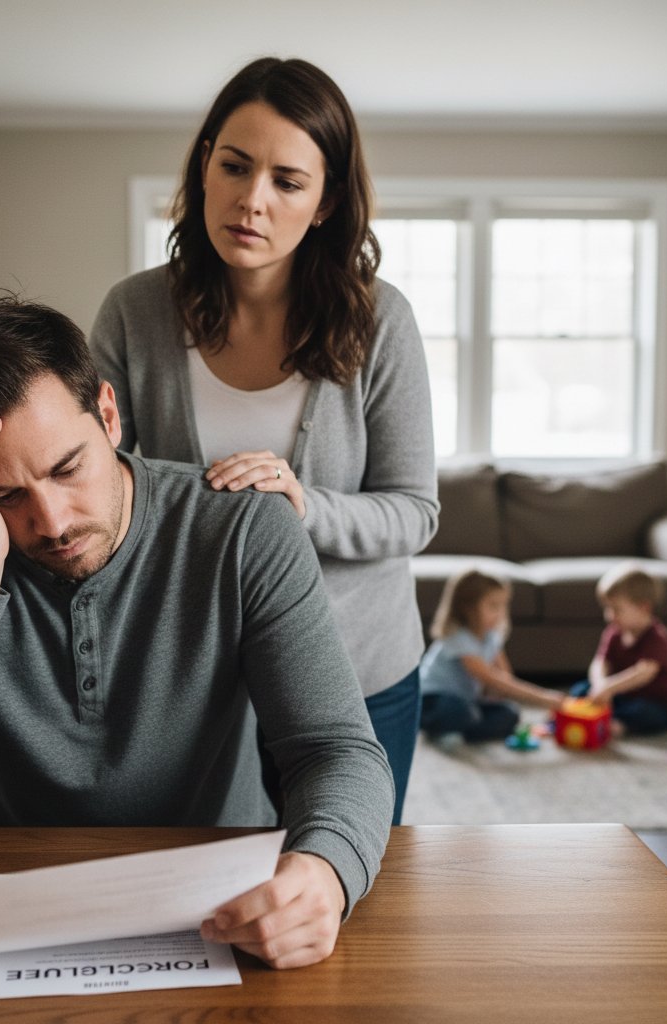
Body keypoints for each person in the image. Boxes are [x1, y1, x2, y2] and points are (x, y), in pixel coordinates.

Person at [0, 297, 394, 971]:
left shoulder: (244, 533)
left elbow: (335, 749)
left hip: (222, 896)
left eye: (68, 468)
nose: (53, 520)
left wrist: (327, 872)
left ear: (110, 414)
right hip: (13, 904)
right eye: (3, 494)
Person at [89, 57, 438, 824]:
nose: (252, 201)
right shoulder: (134, 311)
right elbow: (88, 473)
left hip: (357, 670)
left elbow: (414, 511)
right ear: (204, 166)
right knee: (198, 887)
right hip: (190, 667)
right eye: (235, 167)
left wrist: (301, 502)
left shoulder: (383, 322)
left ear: (325, 203)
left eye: (287, 180)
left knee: (345, 890)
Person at [418, 569, 564, 743]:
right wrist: (545, 698)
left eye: (503, 605)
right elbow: (491, 679)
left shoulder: (491, 638)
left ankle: (461, 731)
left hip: (467, 702)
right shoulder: (456, 637)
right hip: (432, 701)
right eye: (493, 606)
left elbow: (505, 681)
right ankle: (449, 727)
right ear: (468, 607)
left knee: (509, 714)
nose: (501, 613)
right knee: (459, 711)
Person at [570, 562, 667, 736]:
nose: (609, 615)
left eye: (616, 609)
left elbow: (644, 672)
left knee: (645, 713)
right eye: (607, 608)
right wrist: (600, 684)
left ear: (643, 607)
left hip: (654, 702)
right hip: (621, 695)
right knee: (581, 690)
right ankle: (595, 715)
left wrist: (609, 688)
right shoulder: (614, 633)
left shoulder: (656, 637)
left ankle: (618, 723)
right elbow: (600, 662)